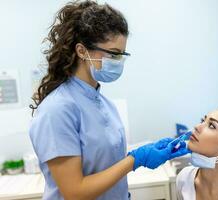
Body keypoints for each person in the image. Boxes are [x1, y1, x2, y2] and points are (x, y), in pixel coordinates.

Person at [29, 1, 189, 199]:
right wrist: (136, 160)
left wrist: (148, 150)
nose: (118, 61)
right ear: (81, 51)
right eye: (113, 53)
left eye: (122, 54)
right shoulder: (57, 109)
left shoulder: (104, 104)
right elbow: (75, 191)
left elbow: (104, 161)